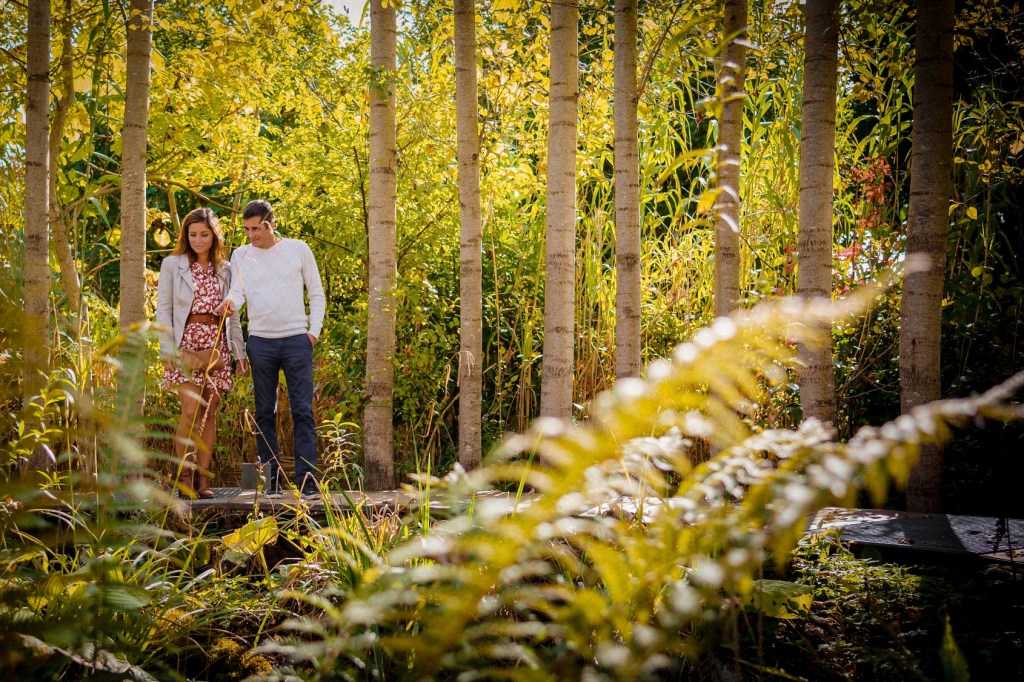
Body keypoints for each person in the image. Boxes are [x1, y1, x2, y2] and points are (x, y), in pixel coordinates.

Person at [216, 200, 325, 495]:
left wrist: (311, 334)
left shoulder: (298, 249)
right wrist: (230, 303)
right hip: (260, 342)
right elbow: (237, 292)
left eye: (257, 229)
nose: (251, 235)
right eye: (247, 230)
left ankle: (308, 482)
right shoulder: (240, 255)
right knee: (264, 412)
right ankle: (271, 481)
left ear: (271, 224)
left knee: (302, 410)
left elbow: (316, 293)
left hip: (296, 341)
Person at [156, 207, 247, 499]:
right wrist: (167, 349)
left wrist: (238, 351)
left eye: (204, 234)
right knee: (190, 410)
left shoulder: (226, 269)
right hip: (184, 343)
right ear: (186, 235)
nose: (198, 240)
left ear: (214, 236)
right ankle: (183, 478)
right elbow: (164, 310)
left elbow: (233, 314)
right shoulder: (172, 265)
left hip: (216, 344)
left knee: (209, 414)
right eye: (192, 234)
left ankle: (202, 482)